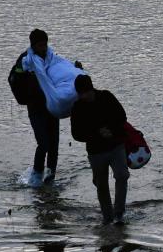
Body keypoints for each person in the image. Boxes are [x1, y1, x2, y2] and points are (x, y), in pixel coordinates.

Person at [70, 75, 130, 225]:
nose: (86, 96)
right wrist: (97, 133)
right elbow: (76, 134)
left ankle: (119, 213)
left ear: (92, 89)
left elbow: (122, 116)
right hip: (96, 152)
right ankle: (107, 217)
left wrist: (111, 130)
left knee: (122, 175)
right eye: (82, 93)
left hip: (116, 146)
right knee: (101, 185)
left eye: (87, 92)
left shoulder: (106, 97)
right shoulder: (77, 108)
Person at [14, 29, 59, 186]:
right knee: (43, 143)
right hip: (35, 109)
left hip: (52, 107)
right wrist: (25, 98)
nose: (43, 48)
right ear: (33, 46)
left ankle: (50, 178)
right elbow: (14, 78)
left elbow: (62, 72)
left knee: (54, 145)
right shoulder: (25, 60)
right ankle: (36, 176)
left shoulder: (51, 58)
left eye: (45, 45)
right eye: (40, 45)